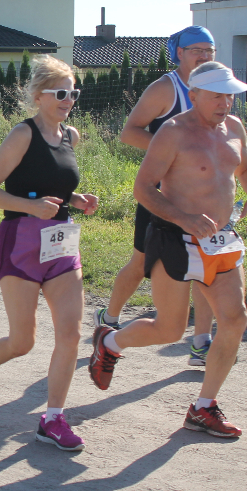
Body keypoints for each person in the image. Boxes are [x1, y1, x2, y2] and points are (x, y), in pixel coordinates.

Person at [90, 62, 247, 439]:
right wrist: (184, 218)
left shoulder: (234, 128)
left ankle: (203, 408)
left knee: (235, 319)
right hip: (175, 238)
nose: (225, 102)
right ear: (196, 93)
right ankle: (110, 341)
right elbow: (144, 189)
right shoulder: (172, 132)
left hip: (220, 240)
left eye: (229, 94)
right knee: (169, 329)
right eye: (217, 95)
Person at [0, 55, 98, 451]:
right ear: (39, 96)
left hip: (60, 243)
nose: (68, 99)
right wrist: (31, 207)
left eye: (73, 92)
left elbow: (51, 183)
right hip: (21, 240)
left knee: (71, 333)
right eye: (61, 93)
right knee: (23, 341)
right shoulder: (22, 135)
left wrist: (76, 199)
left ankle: (53, 418)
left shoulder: (70, 136)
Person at [95, 26, 217, 366]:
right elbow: (129, 132)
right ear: (179, 52)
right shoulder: (166, 88)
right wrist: (173, 151)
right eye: (197, 49)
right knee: (138, 265)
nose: (205, 55)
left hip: (203, 199)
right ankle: (109, 320)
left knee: (206, 266)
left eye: (211, 49)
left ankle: (201, 343)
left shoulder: (216, 87)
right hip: (161, 198)